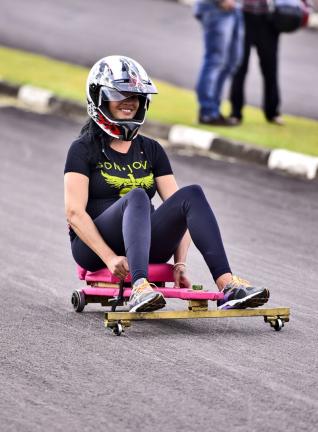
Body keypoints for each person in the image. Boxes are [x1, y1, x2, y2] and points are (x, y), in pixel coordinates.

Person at [64, 55, 270, 313]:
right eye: (120, 95)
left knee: (191, 194)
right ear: (100, 98)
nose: (129, 102)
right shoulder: (82, 149)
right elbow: (74, 213)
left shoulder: (151, 149)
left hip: (144, 242)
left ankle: (227, 285)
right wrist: (109, 257)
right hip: (93, 248)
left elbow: (179, 210)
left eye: (135, 96)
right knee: (137, 196)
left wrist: (180, 264)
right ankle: (140, 286)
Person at [229, 0, 283, 125]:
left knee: (270, 69)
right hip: (244, 16)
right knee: (239, 68)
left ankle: (272, 112)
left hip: (268, 19)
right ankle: (235, 112)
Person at [193, 0, 244, 126]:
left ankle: (214, 110)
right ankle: (207, 112)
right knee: (215, 61)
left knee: (231, 63)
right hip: (216, 7)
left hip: (235, 8)